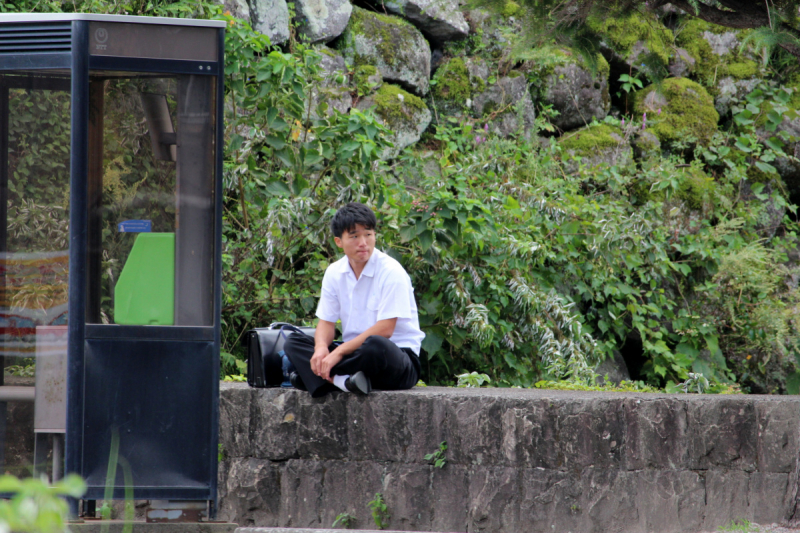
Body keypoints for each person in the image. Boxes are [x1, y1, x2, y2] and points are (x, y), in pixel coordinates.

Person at [283, 202, 424, 397]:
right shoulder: (334, 273)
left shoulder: (392, 271)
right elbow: (326, 323)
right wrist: (321, 348)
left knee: (375, 345)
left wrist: (337, 354)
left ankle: (328, 380)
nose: (363, 242)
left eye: (368, 234)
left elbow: (386, 329)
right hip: (355, 355)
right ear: (338, 241)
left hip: (395, 360)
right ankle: (347, 381)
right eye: (354, 236)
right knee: (293, 342)